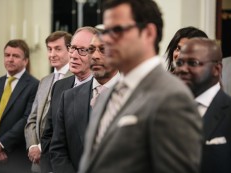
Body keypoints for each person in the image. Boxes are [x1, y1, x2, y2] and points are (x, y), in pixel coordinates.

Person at [78, 1, 202, 173]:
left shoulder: (171, 96)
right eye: (106, 31)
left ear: (148, 33)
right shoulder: (109, 92)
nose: (107, 39)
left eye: (117, 30)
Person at [49, 33, 120, 173]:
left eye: (103, 50)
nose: (95, 56)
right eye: (91, 50)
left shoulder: (135, 96)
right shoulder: (68, 97)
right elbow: (58, 149)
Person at [40, 26, 97, 173]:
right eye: (72, 48)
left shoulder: (102, 89)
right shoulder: (60, 86)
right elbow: (48, 135)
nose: (73, 55)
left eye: (83, 50)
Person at [174, 38, 231, 173]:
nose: (183, 69)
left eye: (192, 63)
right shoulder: (167, 110)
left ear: (216, 69)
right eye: (179, 63)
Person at [0, 39, 39, 173]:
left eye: (15, 56)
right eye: (7, 55)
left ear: (25, 61)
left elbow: (26, 119)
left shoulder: (34, 85)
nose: (10, 59)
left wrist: (1, 144)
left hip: (16, 156)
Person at [24, 31, 73, 173]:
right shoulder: (44, 81)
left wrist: (42, 147)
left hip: (61, 159)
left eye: (58, 49)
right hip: (38, 161)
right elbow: (32, 119)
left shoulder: (76, 78)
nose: (52, 54)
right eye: (49, 49)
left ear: (70, 50)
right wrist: (33, 146)